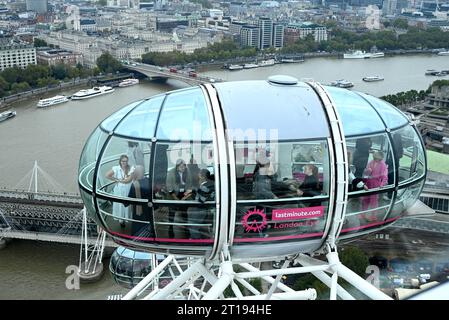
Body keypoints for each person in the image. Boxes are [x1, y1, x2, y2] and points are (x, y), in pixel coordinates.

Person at [166, 159, 193, 238]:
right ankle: (170, 227)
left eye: (184, 166)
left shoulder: (187, 171)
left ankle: (186, 228)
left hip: (184, 194)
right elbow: (169, 187)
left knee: (184, 213)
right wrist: (176, 199)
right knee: (172, 213)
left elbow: (190, 184)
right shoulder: (171, 173)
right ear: (177, 167)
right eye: (181, 166)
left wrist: (184, 198)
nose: (183, 168)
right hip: (173, 195)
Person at [105, 155, 134, 227]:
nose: (125, 162)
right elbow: (107, 175)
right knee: (120, 205)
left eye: (126, 161)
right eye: (123, 161)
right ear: (120, 161)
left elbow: (129, 180)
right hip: (119, 190)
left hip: (127, 189)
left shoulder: (131, 168)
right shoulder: (116, 168)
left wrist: (120, 181)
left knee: (127, 204)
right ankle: (121, 220)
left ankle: (127, 218)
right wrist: (116, 180)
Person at [187, 169, 215, 239]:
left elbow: (202, 199)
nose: (197, 175)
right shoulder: (211, 183)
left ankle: (195, 240)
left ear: (202, 176)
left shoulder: (205, 186)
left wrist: (194, 191)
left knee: (193, 226)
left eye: (199, 174)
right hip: (207, 209)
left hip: (200, 209)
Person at [127, 165, 154, 238]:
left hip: (139, 211)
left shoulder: (135, 184)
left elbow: (129, 198)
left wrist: (125, 203)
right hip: (148, 209)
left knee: (138, 226)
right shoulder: (149, 181)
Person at [362, 151, 388, 218]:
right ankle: (363, 213)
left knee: (374, 200)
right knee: (365, 199)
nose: (376, 160)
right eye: (375, 158)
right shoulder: (371, 162)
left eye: (378, 159)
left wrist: (382, 185)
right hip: (368, 182)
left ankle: (373, 216)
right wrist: (368, 171)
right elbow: (365, 172)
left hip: (376, 183)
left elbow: (384, 176)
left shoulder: (383, 165)